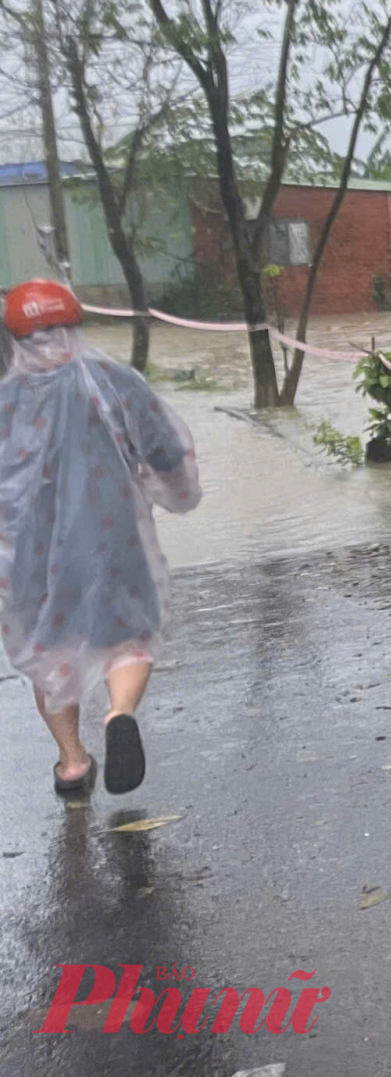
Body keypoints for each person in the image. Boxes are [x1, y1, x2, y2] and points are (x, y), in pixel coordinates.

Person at [0, 280, 201, 798]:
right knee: (128, 639)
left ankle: (72, 763)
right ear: (75, 322)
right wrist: (181, 495)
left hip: (28, 554)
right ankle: (119, 713)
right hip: (113, 539)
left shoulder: (5, 400)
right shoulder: (114, 380)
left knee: (47, 650)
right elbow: (165, 451)